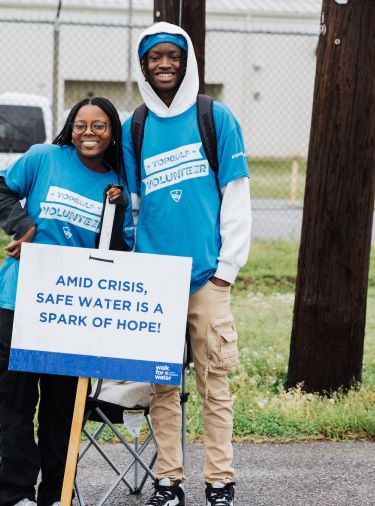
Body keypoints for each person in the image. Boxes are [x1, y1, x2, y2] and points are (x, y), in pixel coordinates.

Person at [123, 22, 251, 506]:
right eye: (154, 57)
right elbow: (134, 202)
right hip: (156, 282)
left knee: (214, 385)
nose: (164, 64)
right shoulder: (136, 124)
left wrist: (226, 270)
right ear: (143, 66)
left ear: (186, 61)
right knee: (162, 387)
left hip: (206, 279)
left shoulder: (214, 118)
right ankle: (168, 481)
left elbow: (236, 198)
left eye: (172, 56)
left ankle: (220, 481)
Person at [0, 96, 133, 506]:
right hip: (22, 300)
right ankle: (16, 495)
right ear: (71, 126)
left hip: (74, 312)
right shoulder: (44, 158)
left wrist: (118, 209)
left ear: (111, 133)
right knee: (15, 399)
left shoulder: (116, 183)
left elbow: (116, 252)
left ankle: (54, 496)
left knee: (62, 411)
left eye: (99, 126)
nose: (90, 132)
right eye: (82, 124)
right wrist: (23, 226)